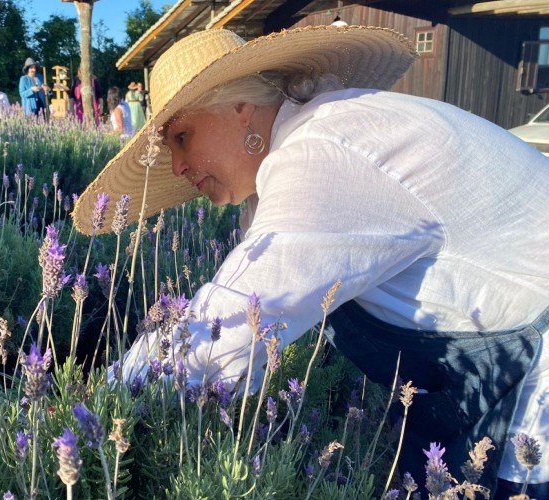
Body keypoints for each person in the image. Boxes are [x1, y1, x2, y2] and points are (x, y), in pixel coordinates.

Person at [71, 27, 549, 498]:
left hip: (533, 390)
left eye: (181, 137)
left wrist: (92, 408)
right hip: (478, 379)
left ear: (238, 106)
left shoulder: (323, 153)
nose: (176, 167)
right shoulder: (309, 144)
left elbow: (233, 324)